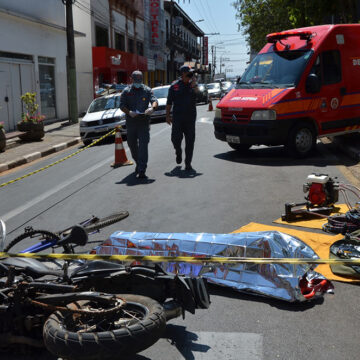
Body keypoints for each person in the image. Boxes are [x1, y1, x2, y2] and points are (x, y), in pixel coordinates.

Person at [120, 70, 158, 179]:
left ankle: (142, 169)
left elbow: (154, 100)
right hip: (131, 122)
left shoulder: (147, 90)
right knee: (132, 145)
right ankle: (138, 162)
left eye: (139, 79)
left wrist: (152, 108)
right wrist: (129, 112)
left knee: (143, 146)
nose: (138, 81)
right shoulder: (126, 91)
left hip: (143, 122)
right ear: (132, 79)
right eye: (136, 79)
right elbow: (122, 105)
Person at [166, 65, 199, 171]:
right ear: (183, 74)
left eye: (191, 73)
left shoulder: (193, 85)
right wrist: (167, 116)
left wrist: (194, 86)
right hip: (178, 118)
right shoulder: (174, 86)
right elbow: (169, 102)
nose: (191, 75)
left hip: (190, 118)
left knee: (190, 141)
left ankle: (188, 163)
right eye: (189, 73)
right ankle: (178, 152)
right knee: (175, 139)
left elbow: (199, 95)